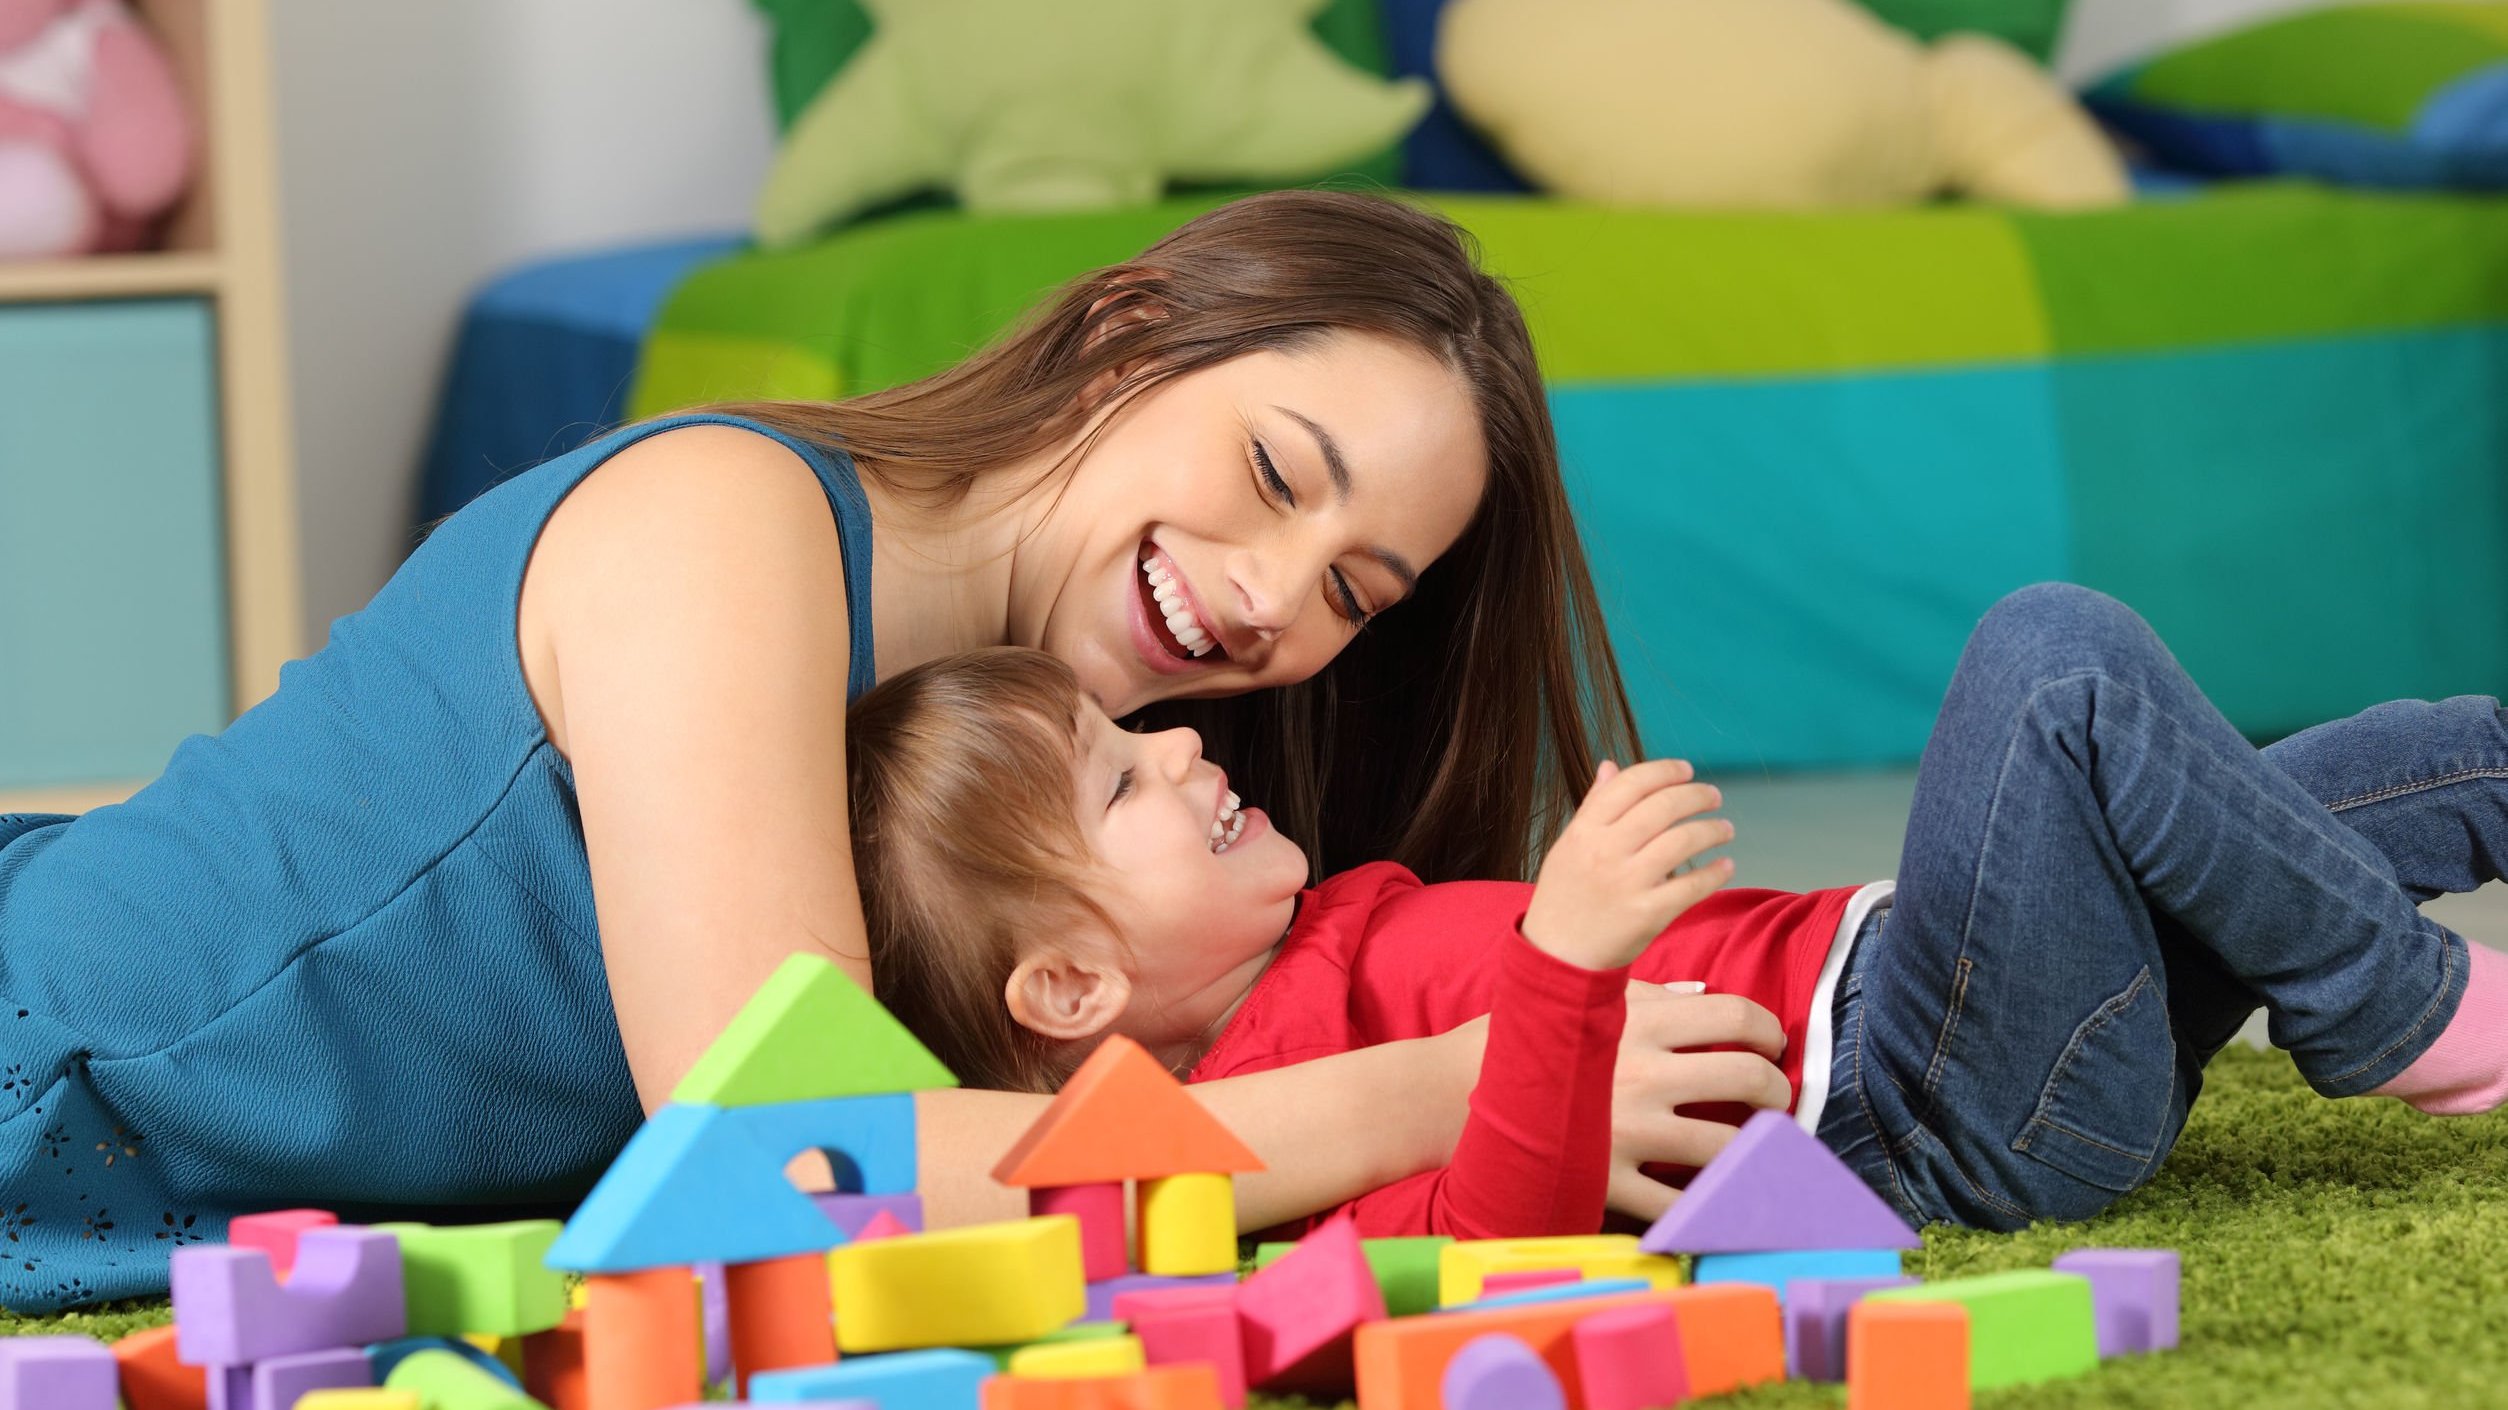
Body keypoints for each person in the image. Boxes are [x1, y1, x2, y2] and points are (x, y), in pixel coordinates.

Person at [0, 190, 1799, 1314]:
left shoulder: (1060, 784)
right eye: (1269, 472)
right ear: (1120, 338)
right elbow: (786, 1170)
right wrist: (1446, 1085)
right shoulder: (727, 525)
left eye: (1356, 585)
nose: (1270, 600)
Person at [841, 581, 2507, 1241]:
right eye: (1117, 783)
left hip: (1950, 997)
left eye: (1134, 731)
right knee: (2054, 663)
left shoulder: (1324, 934)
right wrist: (1564, 962)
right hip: (1929, 1100)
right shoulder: (1241, 1134)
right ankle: (2396, 1007)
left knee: (2369, 768)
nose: (1180, 743)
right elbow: (1489, 1240)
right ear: (1066, 984)